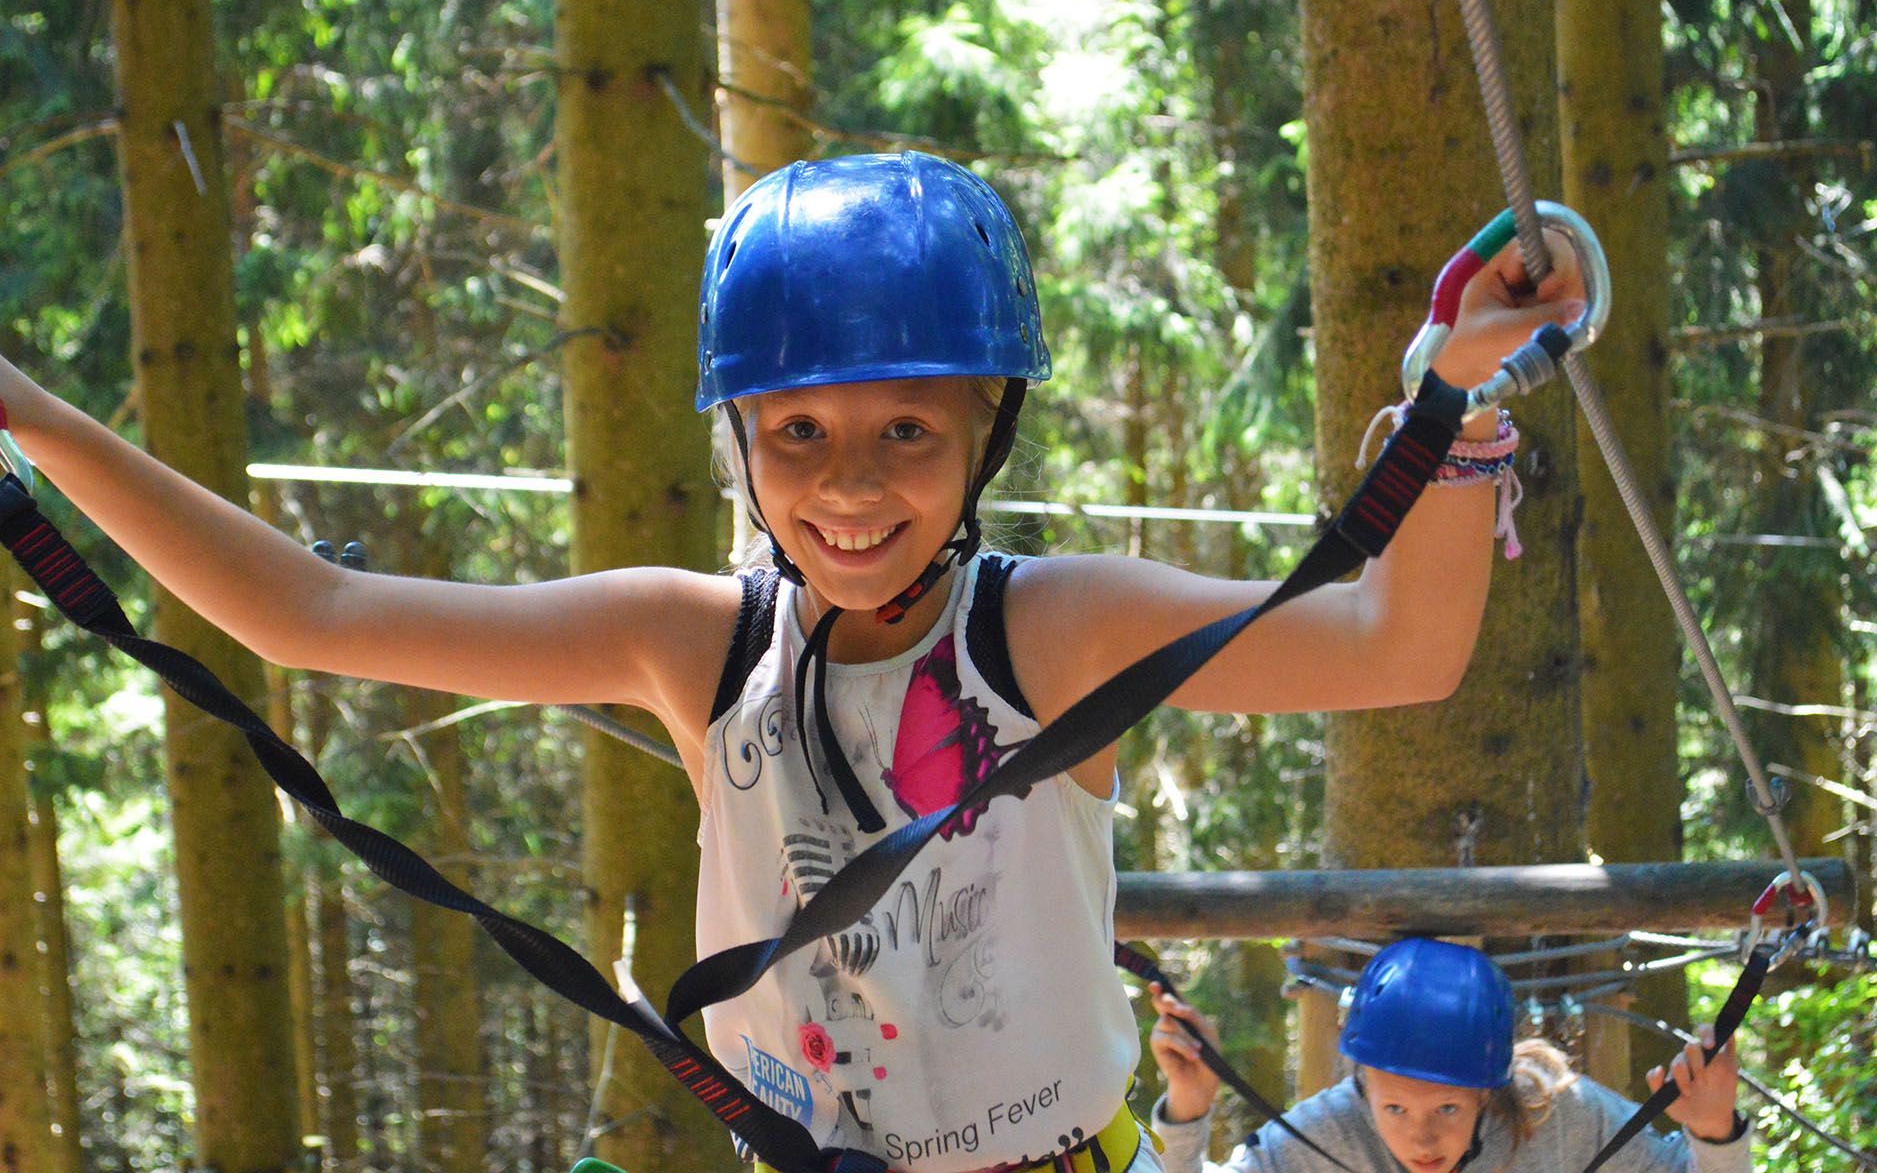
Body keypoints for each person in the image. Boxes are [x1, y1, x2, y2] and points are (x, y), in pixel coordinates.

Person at [0, 152, 1583, 1173]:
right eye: (799, 432)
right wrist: (35, 419)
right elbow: (312, 619)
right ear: (742, 447)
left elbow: (1398, 650)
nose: (849, 484)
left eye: (909, 429)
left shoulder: (1057, 629)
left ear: (985, 432)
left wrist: (1457, 402)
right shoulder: (694, 642)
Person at [1148, 938, 1752, 1173]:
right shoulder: (1325, 1138)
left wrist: (1714, 1131)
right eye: (1394, 1109)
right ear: (1361, 1087)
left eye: (1446, 1109)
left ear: (1487, 1091)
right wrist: (1189, 1110)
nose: (1422, 1139)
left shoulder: (1559, 1115)